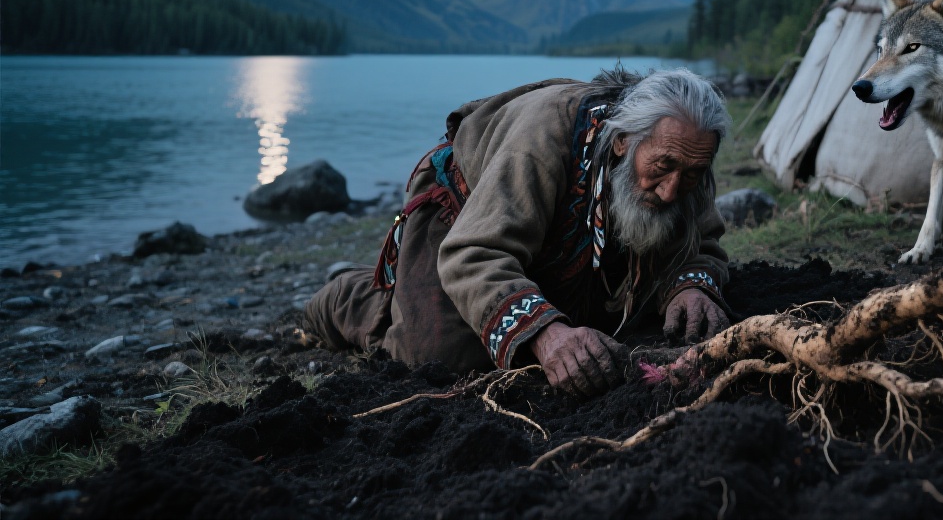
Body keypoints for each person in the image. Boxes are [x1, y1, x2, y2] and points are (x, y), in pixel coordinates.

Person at [304, 67, 732, 395]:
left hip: (559, 245)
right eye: (662, 168)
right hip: (465, 218)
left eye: (692, 173)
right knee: (437, 357)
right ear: (623, 142)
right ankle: (358, 298)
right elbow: (472, 252)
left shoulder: (683, 151)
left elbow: (700, 242)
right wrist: (546, 335)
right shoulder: (539, 143)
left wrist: (689, 286)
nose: (673, 188)